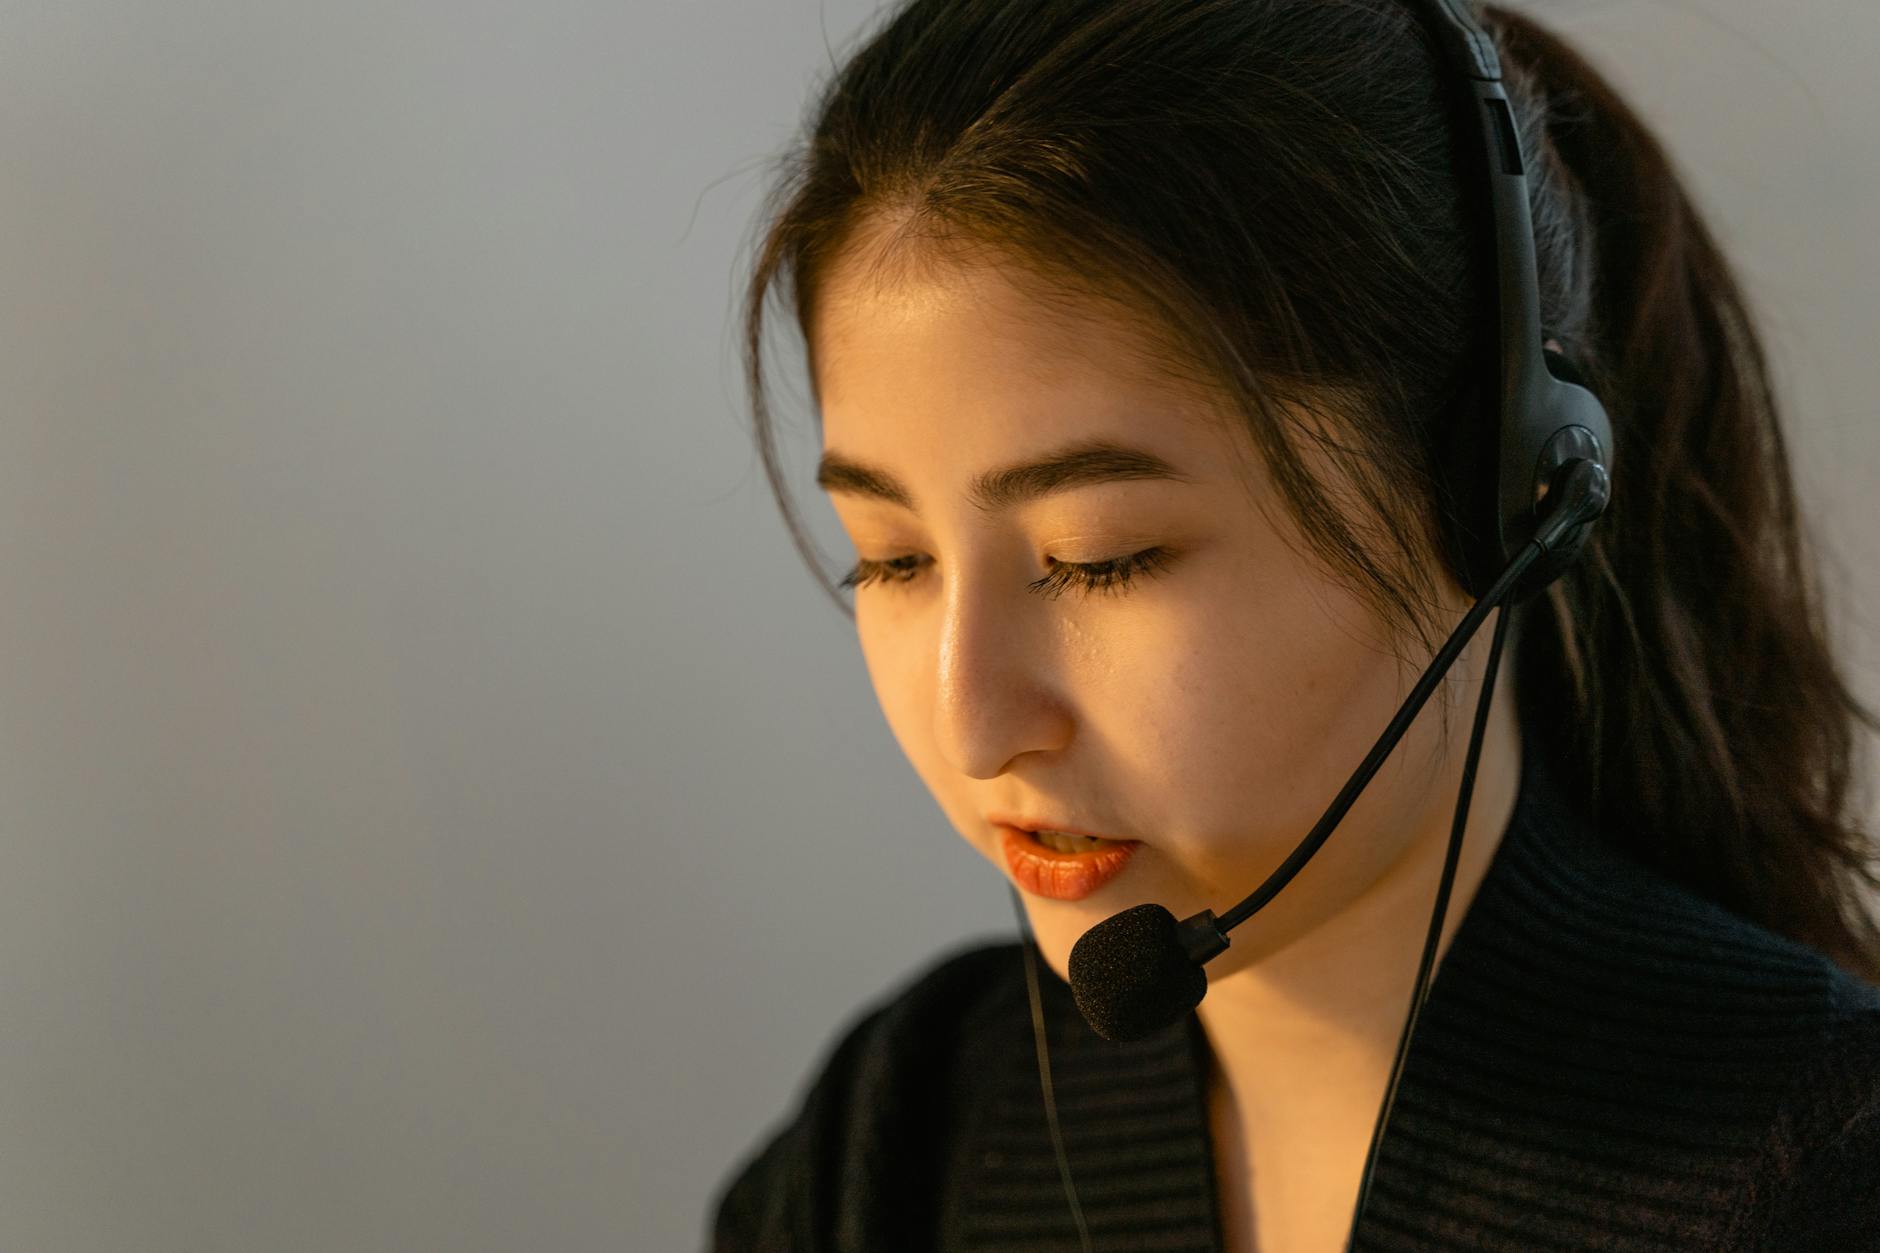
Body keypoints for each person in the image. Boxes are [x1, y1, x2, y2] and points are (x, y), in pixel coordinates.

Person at [708, 1, 1880, 1248]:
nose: (973, 722)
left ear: (1505, 498)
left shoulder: (1823, 1173)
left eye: (1100, 559)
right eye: (891, 562)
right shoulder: (895, 1136)